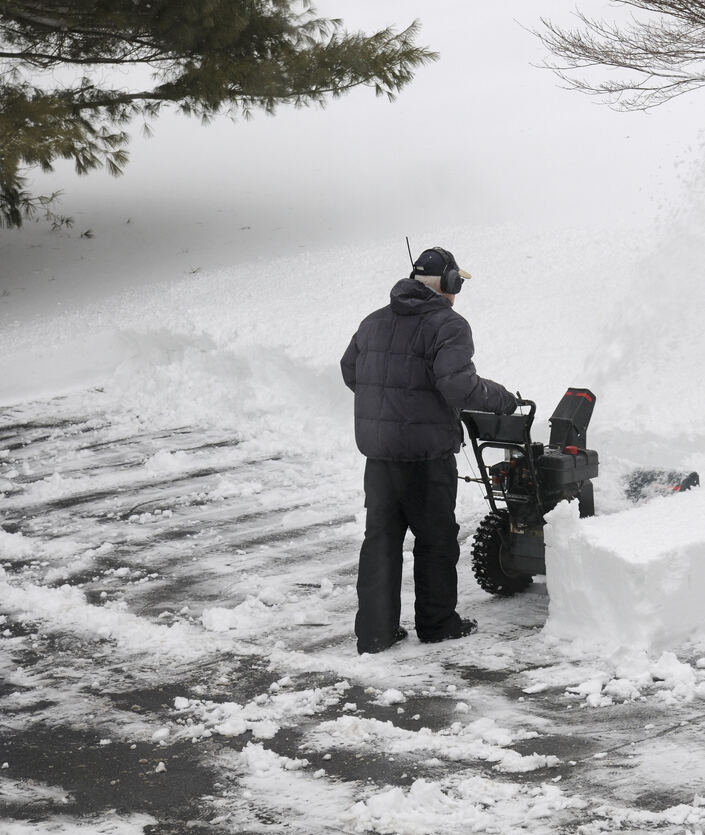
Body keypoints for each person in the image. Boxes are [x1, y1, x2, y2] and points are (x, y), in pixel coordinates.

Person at [340, 246, 517, 655]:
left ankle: (375, 633)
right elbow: (458, 386)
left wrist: (390, 408)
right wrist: (502, 398)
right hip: (426, 457)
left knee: (380, 539)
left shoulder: (373, 322)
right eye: (457, 283)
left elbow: (352, 372)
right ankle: (438, 625)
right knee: (436, 539)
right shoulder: (448, 325)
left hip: (380, 456)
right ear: (448, 283)